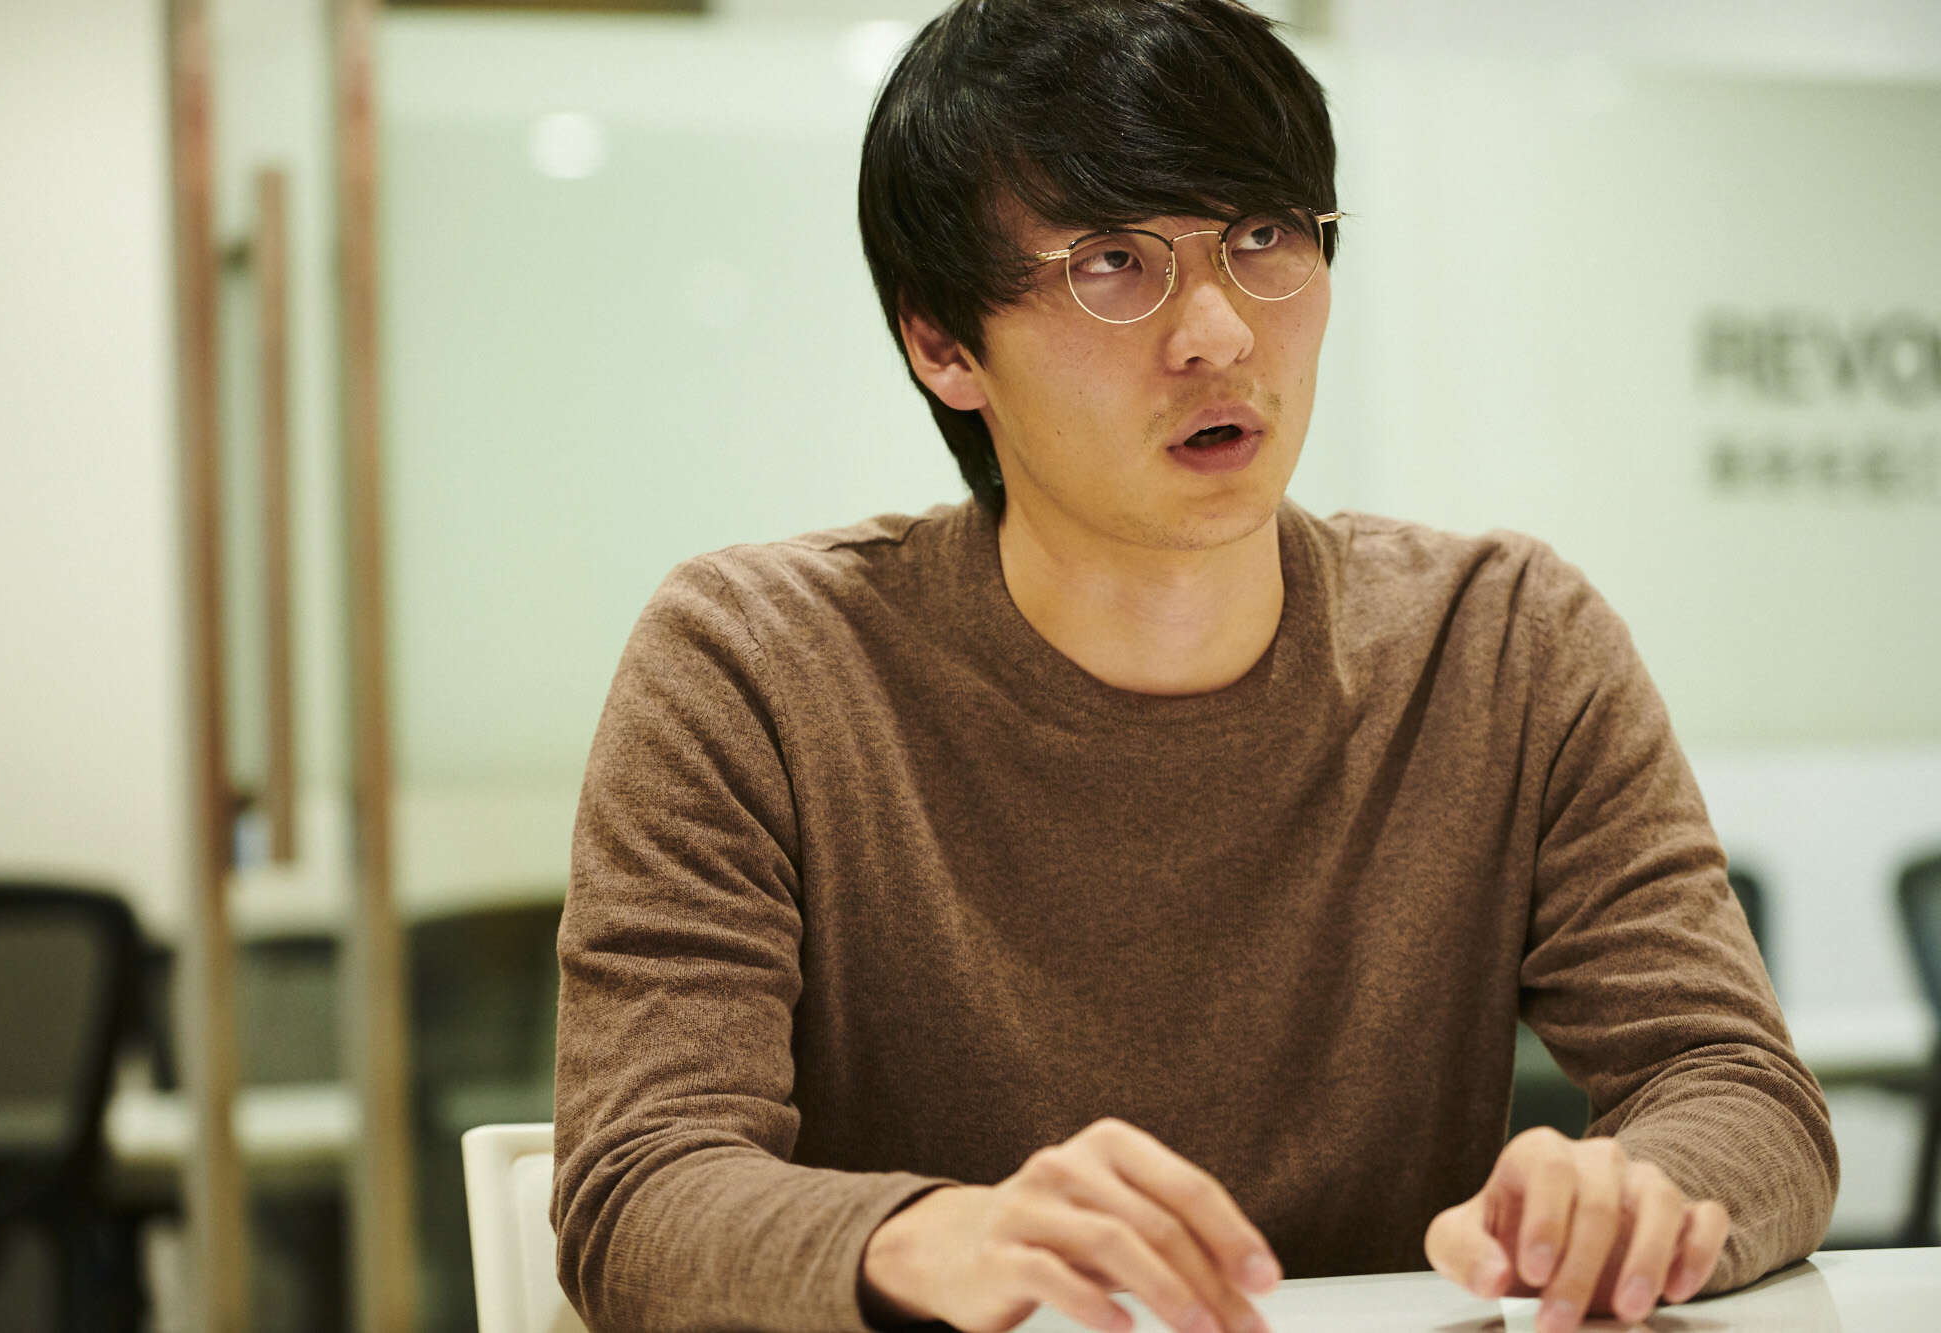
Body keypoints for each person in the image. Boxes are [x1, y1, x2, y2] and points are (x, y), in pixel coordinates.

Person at [550, 2, 1838, 1331]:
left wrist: (1639, 1197)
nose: (1218, 332)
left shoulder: (1503, 644)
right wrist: (928, 1237)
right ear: (942, 342)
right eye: (1113, 260)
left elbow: (1738, 1088)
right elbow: (637, 1190)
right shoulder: (758, 666)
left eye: (1264, 236)